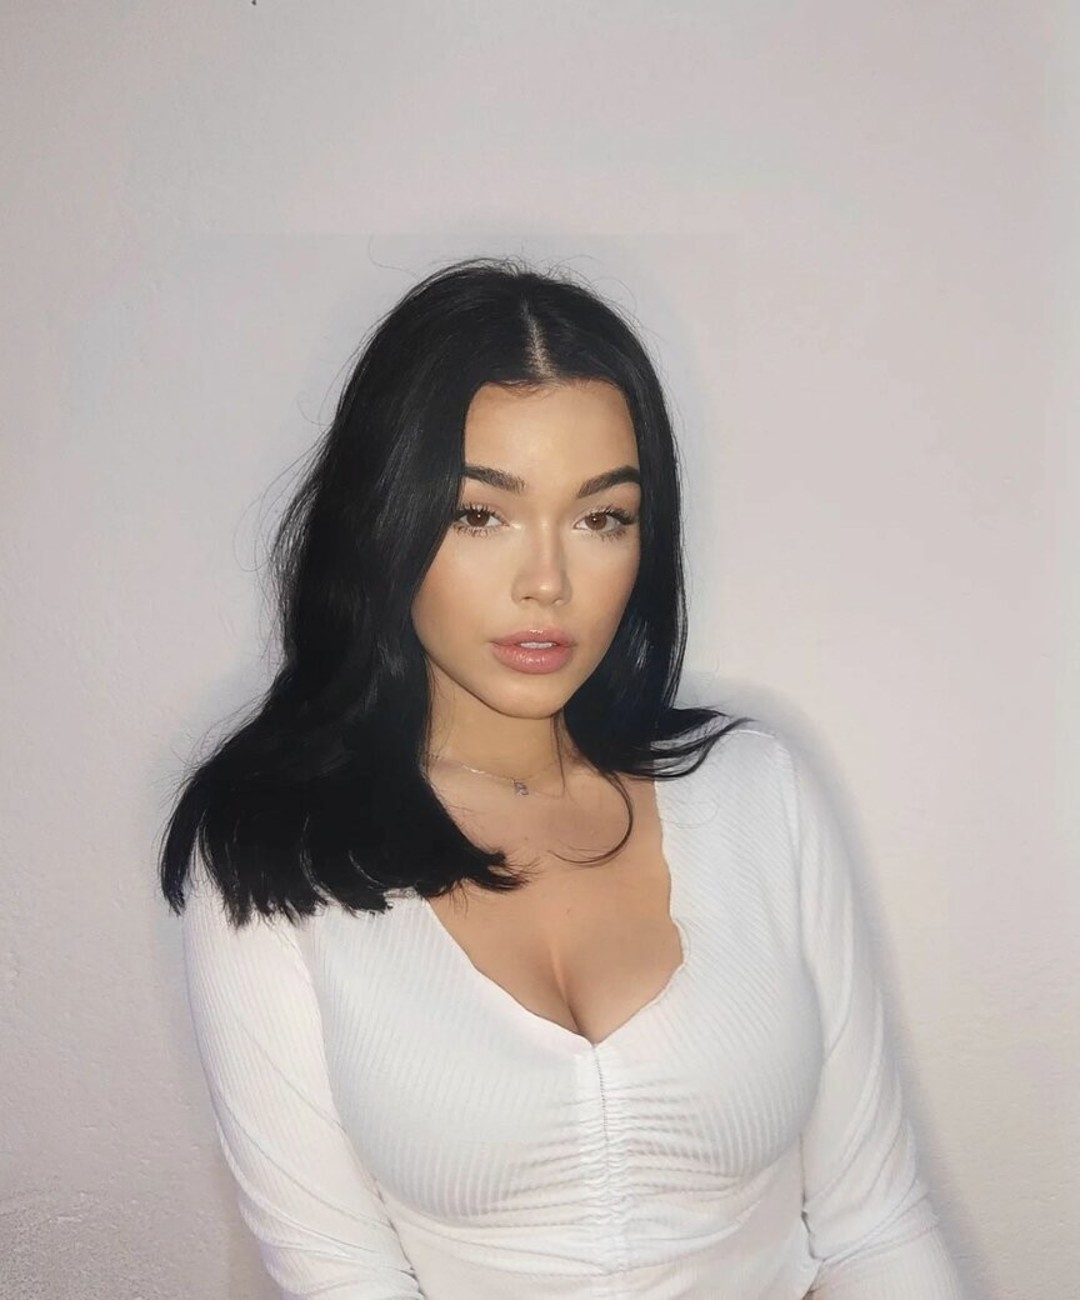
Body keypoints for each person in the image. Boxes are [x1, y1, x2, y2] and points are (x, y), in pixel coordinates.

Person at [160, 258, 966, 1299]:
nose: (547, 581)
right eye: (479, 514)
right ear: (384, 518)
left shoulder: (759, 792)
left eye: (601, 518)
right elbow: (341, 1272)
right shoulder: (273, 851)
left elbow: (875, 1228)